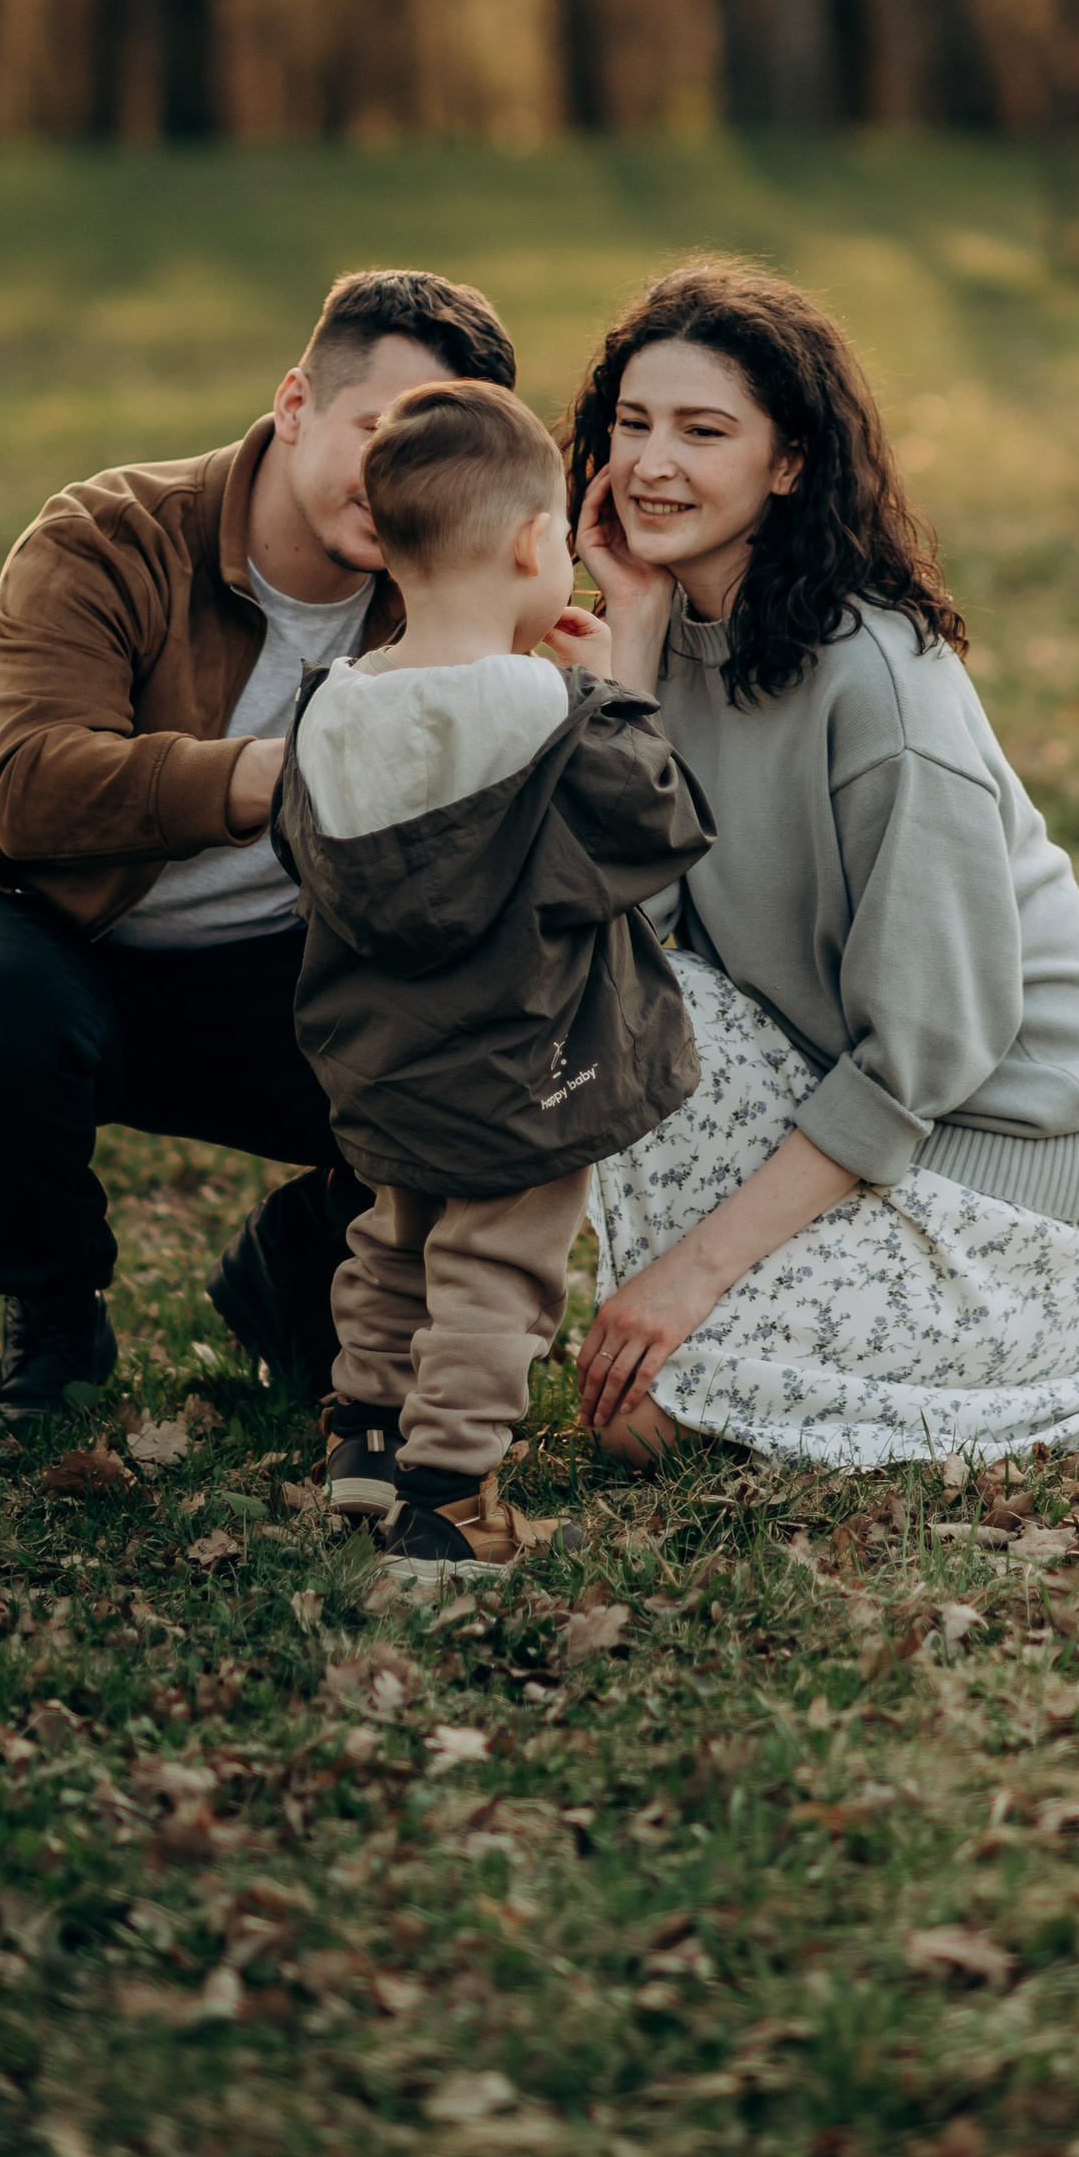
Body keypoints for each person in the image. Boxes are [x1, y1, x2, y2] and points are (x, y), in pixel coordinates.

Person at [555, 257, 1079, 1471]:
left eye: (702, 429)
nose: (651, 463)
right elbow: (639, 916)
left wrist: (693, 1273)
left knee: (646, 1410)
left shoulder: (876, 677)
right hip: (836, 1096)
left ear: (788, 461)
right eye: (631, 422)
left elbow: (931, 1044)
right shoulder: (662, 632)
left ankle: (1078, 1357)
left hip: (1007, 1173)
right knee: (599, 981)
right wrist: (623, 647)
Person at [0, 267, 519, 1421]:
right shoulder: (106, 534)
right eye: (378, 431)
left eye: (436, 450)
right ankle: (54, 1310)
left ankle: (298, 1263)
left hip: (277, 973)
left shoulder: (446, 591)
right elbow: (33, 787)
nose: (401, 479)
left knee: (509, 1037)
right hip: (50, 931)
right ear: (297, 400)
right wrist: (278, 767)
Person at [271, 377, 710, 1568]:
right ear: (535, 543)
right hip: (526, 1065)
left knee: (394, 1237)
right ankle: (449, 1498)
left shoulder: (331, 708)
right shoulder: (550, 707)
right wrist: (611, 685)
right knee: (493, 1267)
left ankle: (363, 1441)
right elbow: (651, 827)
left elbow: (302, 852)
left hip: (381, 1066)